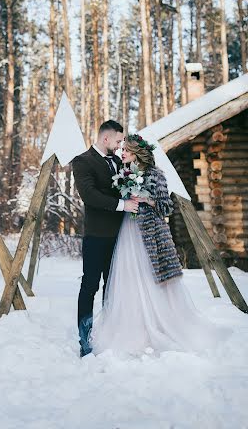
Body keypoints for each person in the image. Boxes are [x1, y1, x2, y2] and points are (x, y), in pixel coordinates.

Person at [90, 134, 229, 357]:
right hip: (128, 231)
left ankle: (161, 323)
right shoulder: (122, 174)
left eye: (126, 150)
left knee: (152, 276)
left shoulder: (156, 175)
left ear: (137, 152)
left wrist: (146, 199)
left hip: (152, 234)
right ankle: (132, 328)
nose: (122, 153)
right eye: (122, 149)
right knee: (129, 277)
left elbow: (166, 208)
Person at [72, 120, 140, 357]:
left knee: (114, 286)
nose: (121, 146)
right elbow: (90, 196)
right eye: (119, 141)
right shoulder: (82, 162)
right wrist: (124, 204)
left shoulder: (119, 162)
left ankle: (111, 333)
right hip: (97, 236)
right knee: (90, 285)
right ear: (105, 139)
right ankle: (85, 337)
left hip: (121, 237)